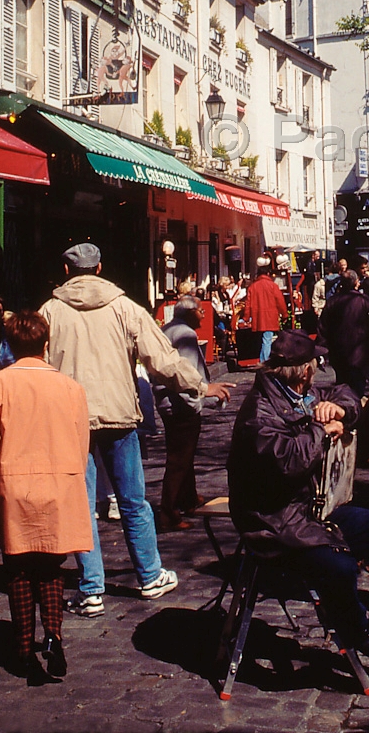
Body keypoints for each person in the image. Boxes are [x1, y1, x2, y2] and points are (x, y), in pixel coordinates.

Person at [227, 330, 369, 661]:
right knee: (340, 566)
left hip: (309, 512)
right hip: (273, 523)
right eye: (316, 364)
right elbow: (290, 461)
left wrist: (339, 410)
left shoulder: (297, 393)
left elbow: (347, 390)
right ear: (305, 369)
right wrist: (321, 430)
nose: (318, 369)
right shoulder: (260, 414)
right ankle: (359, 633)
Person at [40, 242, 231, 617]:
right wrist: (198, 385)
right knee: (132, 501)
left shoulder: (50, 312)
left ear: (66, 272)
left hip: (71, 419)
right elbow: (161, 358)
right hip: (118, 416)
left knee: (82, 506)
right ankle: (149, 575)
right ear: (99, 270)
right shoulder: (125, 307)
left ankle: (91, 588)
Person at [0, 311, 92, 685]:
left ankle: (24, 645)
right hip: (59, 484)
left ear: (10, 344)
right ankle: (53, 633)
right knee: (52, 567)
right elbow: (80, 442)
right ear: (46, 343)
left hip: (15, 486)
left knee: (18, 568)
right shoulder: (71, 388)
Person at [154, 295, 232, 531]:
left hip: (168, 401)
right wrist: (198, 399)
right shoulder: (186, 335)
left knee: (184, 456)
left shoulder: (167, 329)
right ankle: (169, 511)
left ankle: (188, 498)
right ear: (189, 313)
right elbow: (186, 374)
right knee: (179, 459)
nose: (203, 315)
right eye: (201, 311)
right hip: (181, 403)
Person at [317, 269, 369, 398]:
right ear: (356, 283)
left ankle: (346, 408)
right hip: (358, 353)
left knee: (342, 385)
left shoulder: (333, 301)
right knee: (357, 386)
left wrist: (323, 349)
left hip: (339, 352)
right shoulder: (365, 301)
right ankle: (354, 410)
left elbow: (323, 327)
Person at [242, 256, 287, 363]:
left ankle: (263, 360)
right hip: (270, 316)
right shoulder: (273, 286)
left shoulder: (253, 287)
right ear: (268, 274)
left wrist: (246, 317)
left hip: (257, 317)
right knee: (267, 340)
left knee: (262, 340)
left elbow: (248, 303)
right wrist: (284, 314)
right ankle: (264, 362)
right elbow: (280, 301)